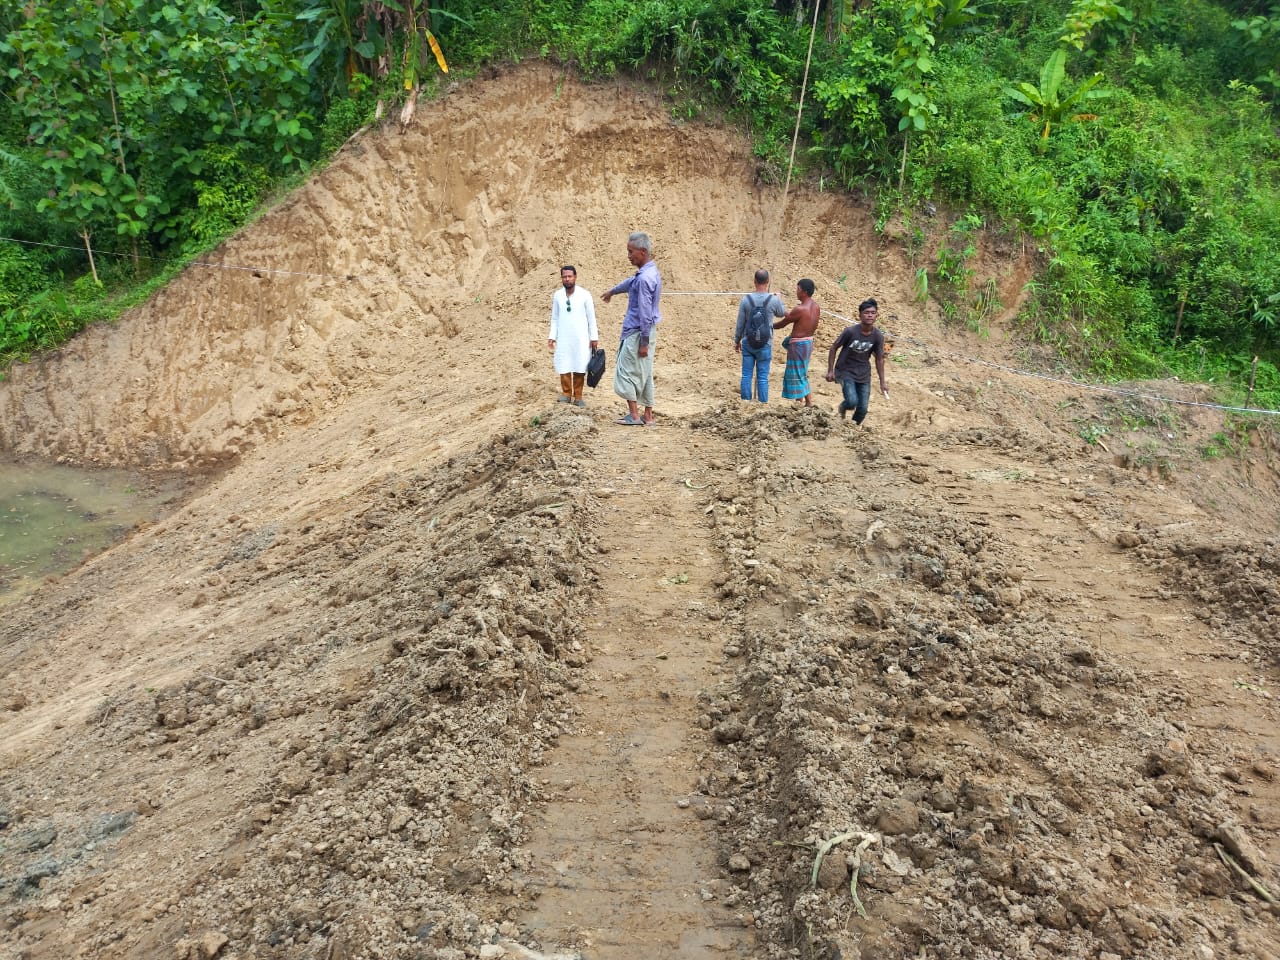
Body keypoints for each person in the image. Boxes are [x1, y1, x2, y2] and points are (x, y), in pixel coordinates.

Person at [602, 231, 662, 427]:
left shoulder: (645, 279)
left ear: (642, 252)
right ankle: (648, 415)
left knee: (626, 372)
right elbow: (630, 282)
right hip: (646, 331)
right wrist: (613, 291)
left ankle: (634, 415)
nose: (628, 255)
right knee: (645, 372)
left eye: (631, 251)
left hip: (637, 332)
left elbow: (644, 313)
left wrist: (643, 342)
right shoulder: (650, 272)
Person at [825, 298, 890, 424]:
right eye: (866, 312)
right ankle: (842, 408)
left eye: (872, 313)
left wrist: (882, 382)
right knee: (851, 401)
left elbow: (879, 359)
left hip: (864, 374)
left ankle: (852, 428)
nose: (870, 315)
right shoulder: (850, 332)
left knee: (862, 409)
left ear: (877, 315)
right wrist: (830, 370)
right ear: (859, 315)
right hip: (845, 371)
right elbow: (834, 348)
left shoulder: (877, 336)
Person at [547, 265, 599, 407]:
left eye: (570, 276)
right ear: (561, 278)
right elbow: (555, 318)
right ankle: (566, 393)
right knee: (563, 364)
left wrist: (594, 337)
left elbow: (591, 318)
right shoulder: (558, 295)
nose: (567, 279)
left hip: (581, 338)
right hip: (563, 337)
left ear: (575, 277)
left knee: (579, 365)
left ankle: (578, 396)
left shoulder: (585, 295)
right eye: (564, 276)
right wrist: (552, 336)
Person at [734, 268, 786, 403]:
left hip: (748, 342)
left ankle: (745, 402)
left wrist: (737, 340)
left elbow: (740, 322)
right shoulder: (773, 300)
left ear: (754, 282)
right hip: (765, 343)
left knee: (746, 375)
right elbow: (781, 313)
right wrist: (779, 298)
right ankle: (762, 404)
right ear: (768, 282)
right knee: (763, 377)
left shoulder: (746, 300)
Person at [774, 278, 821, 406]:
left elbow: (783, 323)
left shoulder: (800, 309)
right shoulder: (816, 307)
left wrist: (769, 326)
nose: (796, 291)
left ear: (804, 292)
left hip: (799, 345)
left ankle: (808, 402)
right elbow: (792, 317)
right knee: (801, 372)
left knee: (798, 373)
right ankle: (800, 400)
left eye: (798, 289)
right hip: (808, 343)